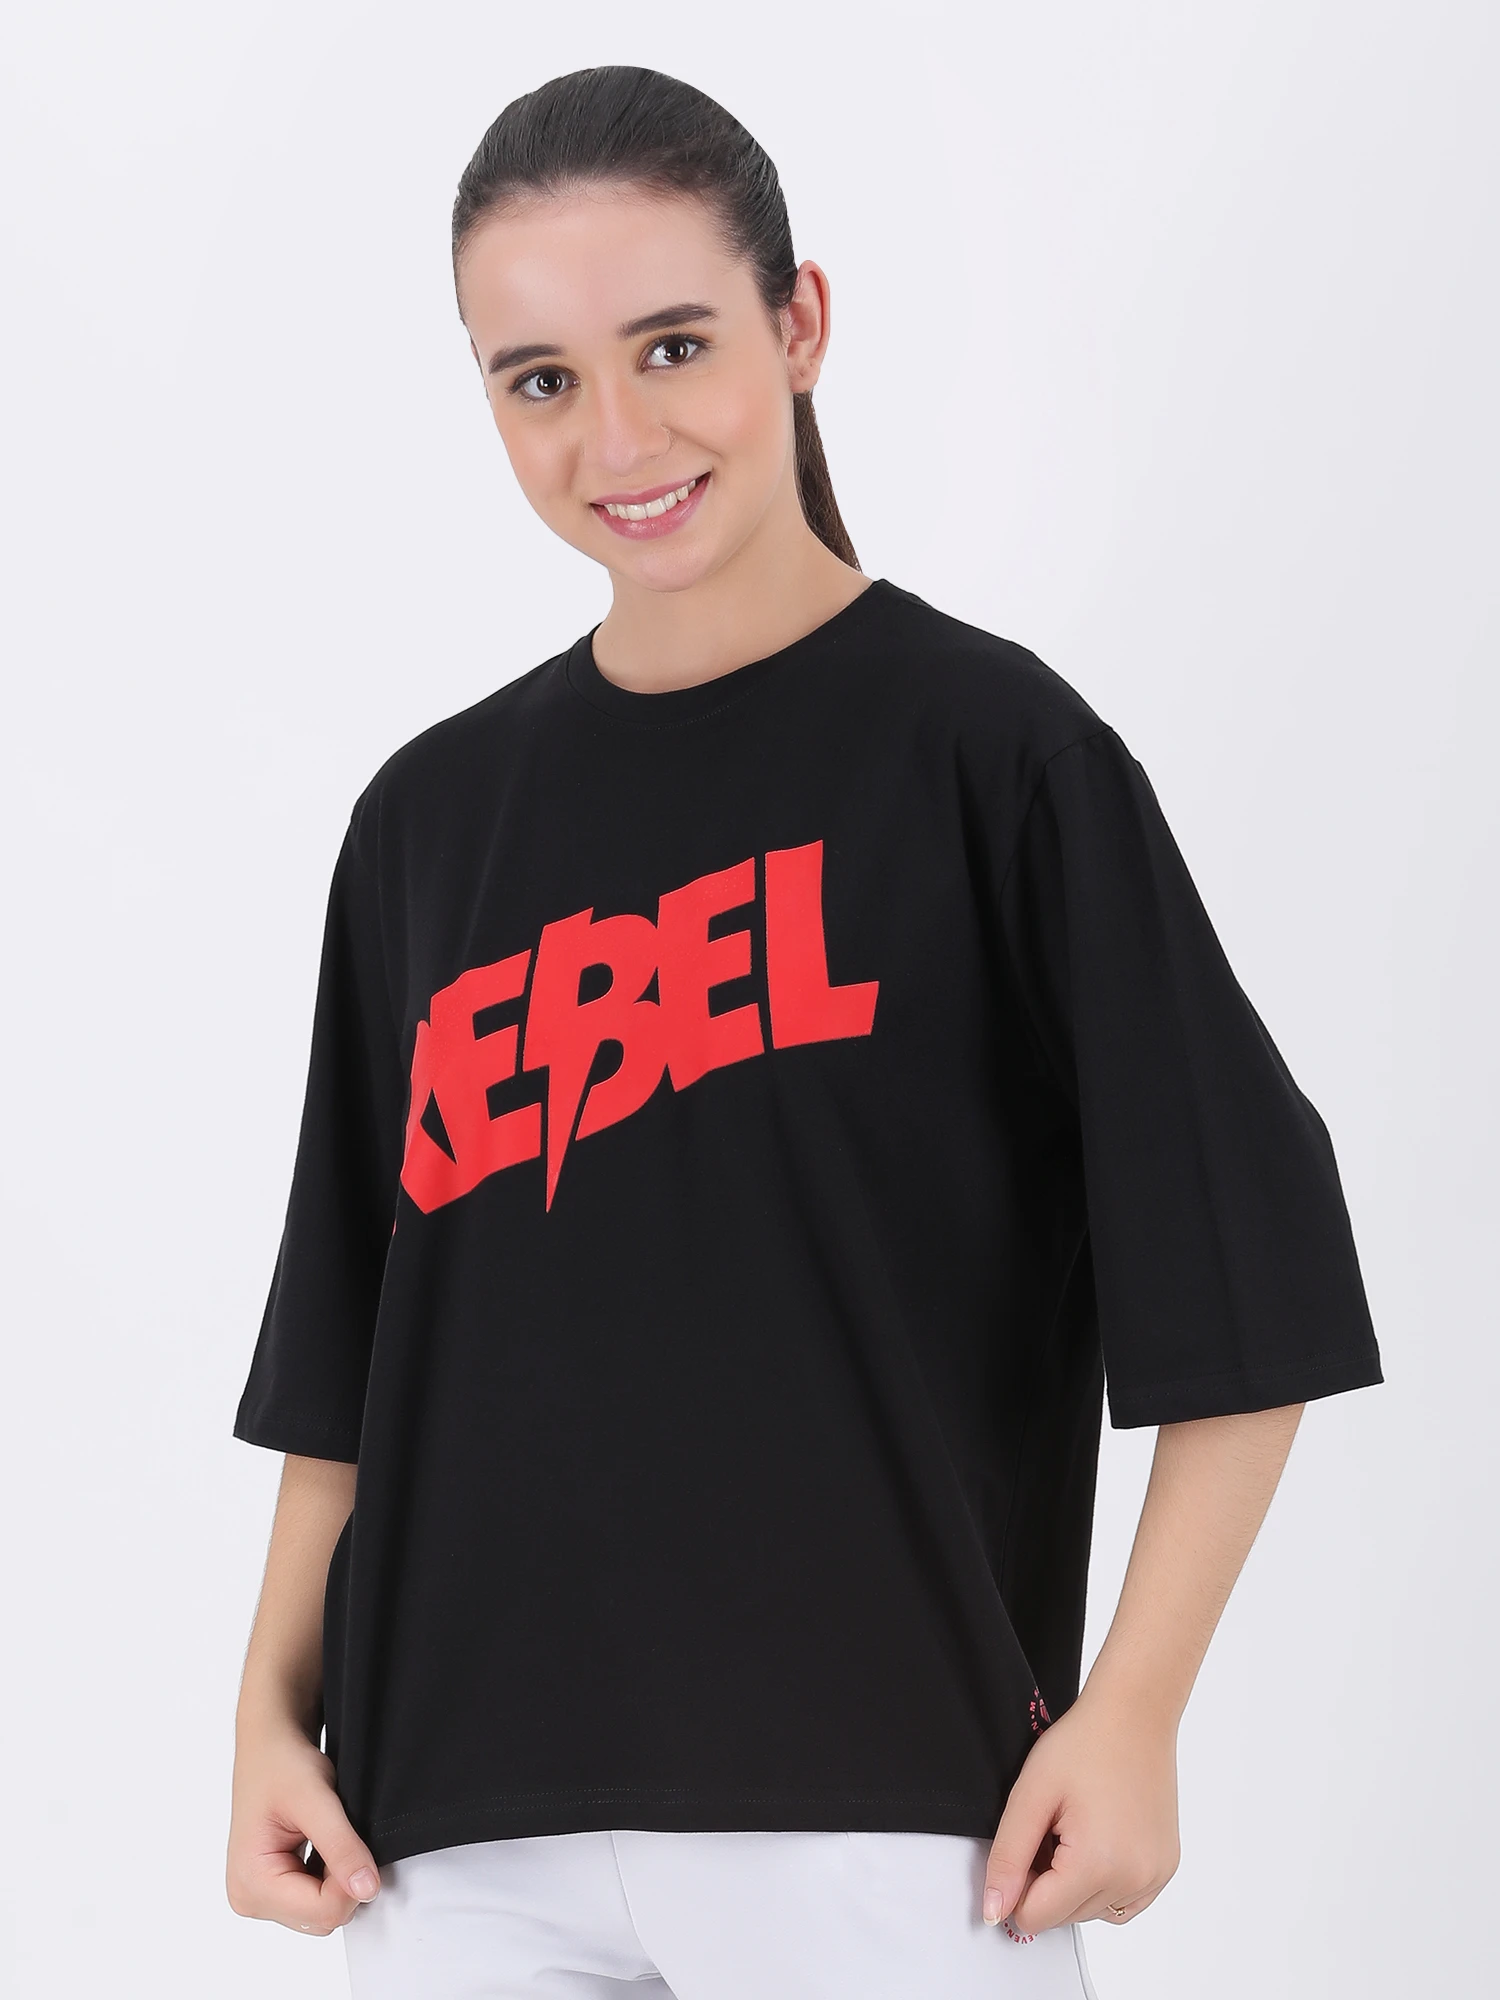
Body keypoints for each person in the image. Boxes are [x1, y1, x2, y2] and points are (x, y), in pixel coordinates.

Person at [224, 64, 1383, 1999]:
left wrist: (1135, 1710)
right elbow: (350, 1357)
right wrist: (268, 1712)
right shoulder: (428, 823)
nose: (618, 434)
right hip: (449, 1841)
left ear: (800, 322)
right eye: (540, 378)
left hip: (885, 1820)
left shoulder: (995, 758)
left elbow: (1250, 1272)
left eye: (673, 344)